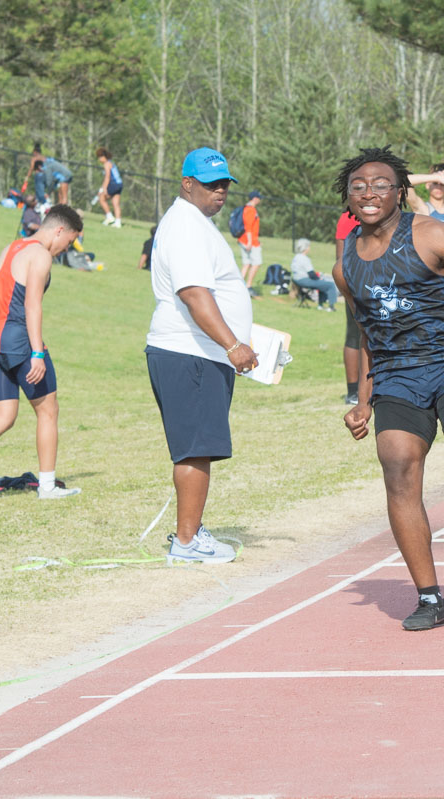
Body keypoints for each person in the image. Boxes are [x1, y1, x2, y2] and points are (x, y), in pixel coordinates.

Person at [332, 145, 444, 632]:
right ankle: (429, 597)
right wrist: (361, 401)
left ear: (401, 192)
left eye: (381, 184)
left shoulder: (434, 236)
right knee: (398, 469)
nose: (369, 193)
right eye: (359, 186)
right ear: (348, 198)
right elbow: (366, 333)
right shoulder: (345, 265)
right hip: (396, 375)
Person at [147, 146, 258, 565]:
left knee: (200, 446)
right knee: (195, 448)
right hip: (189, 352)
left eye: (225, 184)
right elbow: (194, 294)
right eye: (211, 184)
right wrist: (233, 344)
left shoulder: (194, 223)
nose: (220, 191)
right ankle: (188, 541)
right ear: (187, 184)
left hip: (197, 352)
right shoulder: (186, 226)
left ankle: (190, 534)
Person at [0, 205, 84, 500]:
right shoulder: (40, 255)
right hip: (20, 343)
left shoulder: (12, 247)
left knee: (3, 415)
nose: (65, 249)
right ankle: (47, 486)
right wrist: (37, 353)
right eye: (68, 242)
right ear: (59, 230)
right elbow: (31, 305)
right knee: (48, 411)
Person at [336, 210, 362, 404]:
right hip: (357, 284)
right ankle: (353, 391)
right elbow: (340, 258)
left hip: (386, 282)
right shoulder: (348, 217)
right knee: (355, 334)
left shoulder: (390, 214)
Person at [290, 237, 337, 311]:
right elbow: (311, 274)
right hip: (304, 280)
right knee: (330, 285)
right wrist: (319, 279)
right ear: (305, 248)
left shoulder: (296, 257)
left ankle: (321, 305)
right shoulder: (304, 258)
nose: (309, 248)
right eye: (308, 246)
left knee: (322, 284)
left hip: (296, 279)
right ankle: (331, 306)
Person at [238, 190, 263, 297]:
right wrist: (249, 242)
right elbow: (248, 227)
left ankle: (238, 285)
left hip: (246, 240)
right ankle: (248, 286)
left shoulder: (247, 208)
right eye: (259, 198)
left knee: (247, 263)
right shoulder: (250, 210)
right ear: (255, 198)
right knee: (257, 263)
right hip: (249, 241)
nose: (260, 200)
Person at [95, 147, 123, 228]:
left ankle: (110, 217)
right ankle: (118, 222)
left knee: (101, 198)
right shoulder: (111, 163)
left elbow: (107, 177)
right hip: (119, 184)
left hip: (113, 184)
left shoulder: (107, 164)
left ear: (104, 156)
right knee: (115, 203)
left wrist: (103, 189)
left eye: (100, 157)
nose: (99, 159)